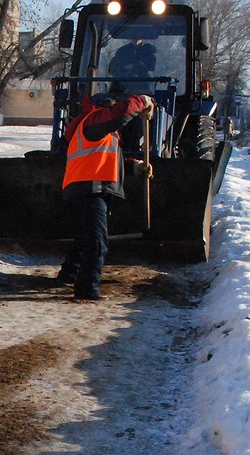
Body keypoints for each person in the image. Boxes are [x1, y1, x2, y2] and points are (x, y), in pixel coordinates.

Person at [57, 90, 154, 301]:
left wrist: (135, 167)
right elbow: (121, 113)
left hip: (83, 188)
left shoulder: (95, 132)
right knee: (97, 241)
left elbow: (106, 161)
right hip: (90, 188)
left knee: (84, 237)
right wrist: (143, 101)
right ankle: (87, 290)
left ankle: (69, 274)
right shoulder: (93, 121)